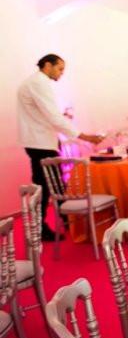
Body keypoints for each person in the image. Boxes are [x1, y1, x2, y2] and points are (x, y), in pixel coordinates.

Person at [17, 54, 103, 241]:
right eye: (60, 68)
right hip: (40, 143)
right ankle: (43, 228)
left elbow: (46, 114)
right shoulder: (39, 83)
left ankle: (66, 221)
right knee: (46, 188)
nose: (62, 73)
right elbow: (52, 116)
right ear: (47, 65)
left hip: (39, 141)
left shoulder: (34, 82)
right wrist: (85, 137)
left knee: (53, 186)